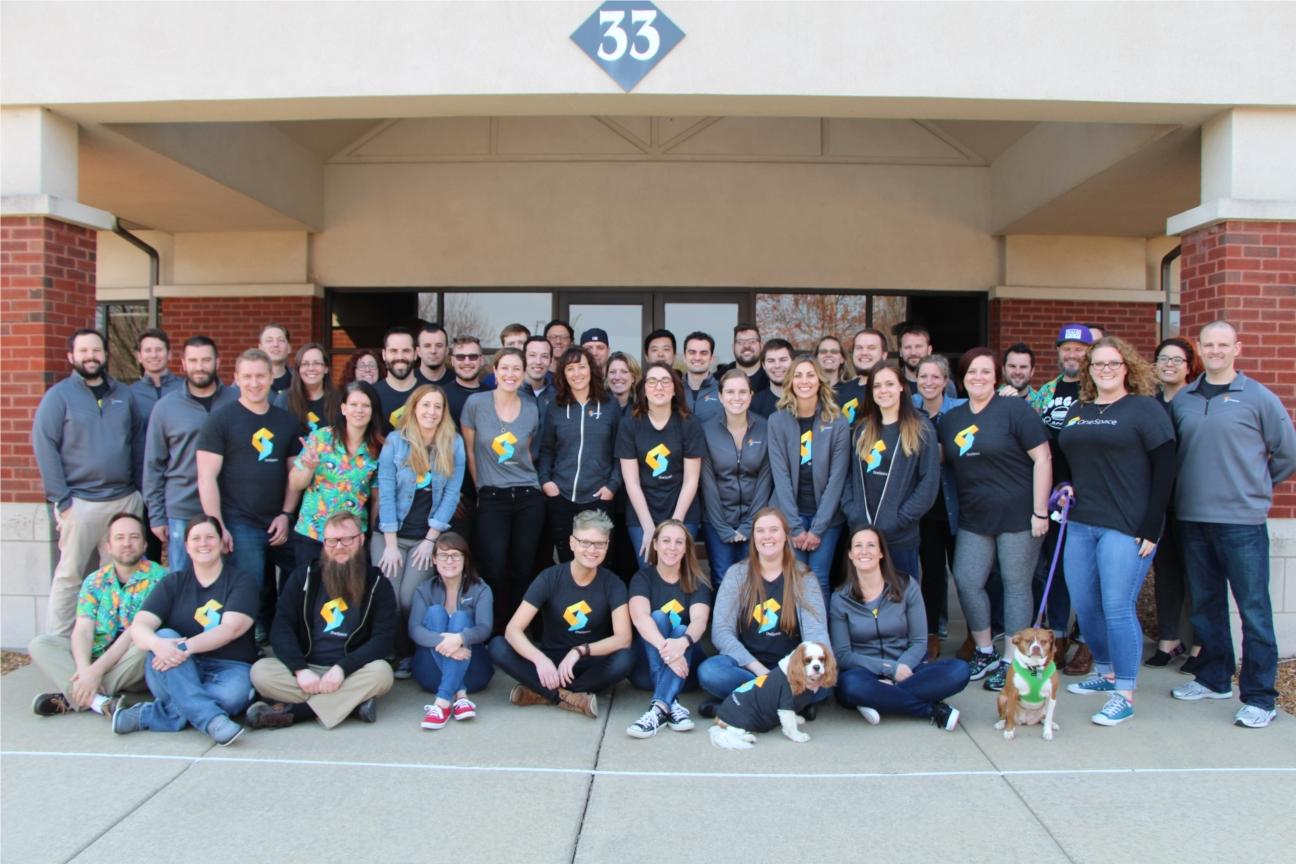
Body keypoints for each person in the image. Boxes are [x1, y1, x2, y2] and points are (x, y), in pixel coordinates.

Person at [1170, 320, 1296, 728]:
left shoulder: (1258, 397)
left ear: (1237, 348)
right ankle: (1214, 678)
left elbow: (1287, 454)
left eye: (1223, 344)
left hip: (1242, 521)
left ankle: (1260, 697)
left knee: (1254, 610)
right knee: (1206, 606)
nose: (1216, 351)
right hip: (1192, 518)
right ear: (1199, 349)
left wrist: (1254, 486)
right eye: (1209, 344)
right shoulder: (1185, 399)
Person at [1054, 337, 1175, 726]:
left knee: (1117, 606)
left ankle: (1124, 692)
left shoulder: (1145, 409)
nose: (1105, 370)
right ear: (1088, 371)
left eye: (1112, 363)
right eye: (1098, 364)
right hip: (1081, 522)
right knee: (1085, 603)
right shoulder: (1079, 409)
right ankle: (1105, 672)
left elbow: (1166, 469)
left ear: (1127, 367)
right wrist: (1064, 485)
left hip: (1126, 525)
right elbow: (1066, 458)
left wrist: (1153, 526)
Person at [939, 347, 1051, 693]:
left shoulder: (1014, 410)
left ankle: (1012, 660)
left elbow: (1043, 458)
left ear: (996, 377)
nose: (978, 377)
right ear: (962, 378)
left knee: (1016, 584)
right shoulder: (952, 419)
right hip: (975, 516)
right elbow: (936, 458)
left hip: (1019, 515)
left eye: (985, 371)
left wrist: (1040, 510)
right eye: (971, 371)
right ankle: (985, 650)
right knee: (967, 580)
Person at [33, 328, 144, 636]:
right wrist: (62, 499)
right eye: (83, 351)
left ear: (105, 354)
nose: (90, 356)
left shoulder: (124, 395)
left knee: (119, 575)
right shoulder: (59, 397)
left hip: (123, 500)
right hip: (80, 502)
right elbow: (44, 445)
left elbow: (137, 442)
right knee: (71, 575)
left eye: (96, 350)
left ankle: (110, 639)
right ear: (71, 357)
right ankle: (57, 641)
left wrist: (139, 492)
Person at [112, 515, 257, 745]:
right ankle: (212, 720)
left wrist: (184, 648)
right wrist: (157, 644)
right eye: (196, 538)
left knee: (231, 697)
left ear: (222, 543)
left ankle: (146, 715)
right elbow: (140, 626)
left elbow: (231, 629)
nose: (203, 543)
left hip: (228, 667)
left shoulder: (241, 581)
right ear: (187, 547)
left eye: (210, 537)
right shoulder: (173, 582)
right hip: (176, 668)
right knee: (164, 636)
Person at [246, 512, 397, 729]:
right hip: (307, 668)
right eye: (332, 541)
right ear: (324, 543)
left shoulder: (378, 584)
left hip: (350, 671)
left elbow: (383, 639)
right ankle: (350, 704)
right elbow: (281, 628)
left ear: (361, 539)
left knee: (382, 674)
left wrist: (342, 669)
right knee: (260, 672)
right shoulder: (304, 576)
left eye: (347, 539)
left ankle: (296, 712)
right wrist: (300, 670)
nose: (339, 546)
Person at [195, 348, 302, 639]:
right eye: (248, 376)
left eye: (260, 376)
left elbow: (294, 475)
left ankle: (284, 634)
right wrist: (217, 525)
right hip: (239, 521)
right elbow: (206, 476)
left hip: (279, 520)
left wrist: (286, 514)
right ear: (237, 379)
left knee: (300, 574)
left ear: (271, 378)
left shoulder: (286, 422)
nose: (254, 383)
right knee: (249, 586)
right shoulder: (220, 420)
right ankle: (246, 643)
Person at [489, 510, 634, 717]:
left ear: (607, 546)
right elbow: (513, 629)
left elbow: (623, 638)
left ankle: (541, 692)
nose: (592, 550)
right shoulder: (550, 578)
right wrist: (540, 660)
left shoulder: (613, 584)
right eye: (585, 542)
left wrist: (580, 651)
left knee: (626, 658)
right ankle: (570, 697)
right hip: (551, 662)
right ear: (572, 543)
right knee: (498, 646)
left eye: (599, 544)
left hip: (591, 663)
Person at [28, 512, 167, 718]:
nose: (127, 543)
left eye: (134, 537)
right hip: (97, 657)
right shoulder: (94, 581)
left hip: (130, 665)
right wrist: (85, 669)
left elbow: (133, 633)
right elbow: (83, 631)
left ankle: (74, 697)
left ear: (145, 545)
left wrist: (95, 673)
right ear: (108, 546)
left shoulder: (160, 579)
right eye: (119, 537)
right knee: (41, 644)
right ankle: (98, 701)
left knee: (147, 646)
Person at [697, 507, 831, 717]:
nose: (767, 536)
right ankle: (787, 704)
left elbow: (816, 632)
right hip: (748, 667)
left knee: (824, 680)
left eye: (774, 530)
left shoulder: (804, 577)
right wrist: (761, 672)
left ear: (785, 536)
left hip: (793, 669)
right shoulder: (737, 574)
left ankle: (737, 706)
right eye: (760, 530)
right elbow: (721, 631)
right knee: (710, 672)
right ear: (754, 537)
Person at [830, 526, 969, 730]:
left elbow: (919, 642)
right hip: (864, 672)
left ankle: (879, 698)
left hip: (907, 668)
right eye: (858, 546)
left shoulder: (906, 586)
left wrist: (900, 670)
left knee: (959, 670)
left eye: (871, 545)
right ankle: (930, 710)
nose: (864, 551)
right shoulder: (840, 598)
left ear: (881, 552)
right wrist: (889, 669)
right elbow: (843, 655)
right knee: (850, 686)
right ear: (850, 554)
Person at [374, 384, 465, 676]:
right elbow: (386, 492)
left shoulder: (454, 443)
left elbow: (451, 494)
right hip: (390, 535)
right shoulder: (395, 441)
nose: (431, 412)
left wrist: (430, 541)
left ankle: (409, 654)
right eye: (425, 405)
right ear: (414, 408)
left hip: (424, 538)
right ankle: (386, 651)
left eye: (437, 406)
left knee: (408, 598)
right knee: (387, 596)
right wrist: (390, 544)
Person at [1029, 323, 1095, 675]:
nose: (1072, 355)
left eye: (1079, 349)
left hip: (1089, 493)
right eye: (1066, 349)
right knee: (1053, 569)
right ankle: (1057, 635)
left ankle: (1086, 640)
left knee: (1086, 571)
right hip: (1054, 494)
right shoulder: (1046, 392)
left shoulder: (1096, 390)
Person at [462, 348, 544, 627]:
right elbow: (471, 452)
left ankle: (518, 630)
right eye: (504, 368)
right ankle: (495, 629)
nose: (510, 374)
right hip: (492, 495)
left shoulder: (531, 408)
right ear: (495, 371)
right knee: (494, 568)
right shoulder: (476, 403)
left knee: (523, 568)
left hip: (528, 495)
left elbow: (528, 453)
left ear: (523, 374)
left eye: (516, 369)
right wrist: (481, 489)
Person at [144, 335, 239, 572]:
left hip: (232, 508)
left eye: (206, 360)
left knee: (231, 579)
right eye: (194, 361)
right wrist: (156, 515)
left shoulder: (237, 400)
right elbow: (153, 465)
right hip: (182, 509)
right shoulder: (166, 407)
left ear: (217, 362)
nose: (200, 367)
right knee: (182, 579)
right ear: (183, 364)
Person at [842, 361, 940, 587]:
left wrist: (900, 519)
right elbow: (848, 476)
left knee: (901, 597)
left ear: (902, 387)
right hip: (863, 535)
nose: (883, 390)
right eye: (877, 386)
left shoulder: (921, 428)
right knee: (865, 597)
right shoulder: (862, 429)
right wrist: (852, 511)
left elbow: (929, 483)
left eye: (889, 384)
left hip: (900, 536)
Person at [768, 355, 849, 598]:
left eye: (810, 375)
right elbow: (780, 475)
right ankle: (797, 625)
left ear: (820, 380)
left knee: (819, 577)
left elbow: (837, 478)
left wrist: (818, 529)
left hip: (827, 517)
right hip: (790, 514)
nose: (804, 381)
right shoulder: (777, 421)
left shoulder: (837, 421)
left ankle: (820, 626)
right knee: (797, 578)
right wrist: (794, 527)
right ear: (790, 382)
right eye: (798, 375)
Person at [626, 520, 713, 738]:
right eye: (666, 541)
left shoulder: (697, 582)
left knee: (683, 629)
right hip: (646, 672)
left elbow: (699, 621)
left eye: (678, 542)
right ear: (655, 544)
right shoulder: (643, 578)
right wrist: (669, 652)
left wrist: (681, 643)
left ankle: (659, 708)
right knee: (657, 618)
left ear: (686, 548)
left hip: (686, 671)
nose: (672, 547)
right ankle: (671, 704)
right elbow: (639, 618)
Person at [1146, 336, 1203, 668]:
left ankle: (1200, 645)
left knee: (1198, 574)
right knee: (1165, 572)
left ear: (1189, 366)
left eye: (1177, 359)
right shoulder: (1150, 405)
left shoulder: (1197, 401)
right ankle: (1168, 640)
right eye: (1163, 359)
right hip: (1160, 502)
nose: (1169, 365)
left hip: (1194, 502)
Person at [616, 362, 704, 567]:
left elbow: (691, 480)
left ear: (674, 389)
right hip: (642, 511)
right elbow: (631, 482)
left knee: (678, 570)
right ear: (644, 390)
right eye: (652, 381)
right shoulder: (629, 425)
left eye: (665, 381)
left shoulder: (689, 424)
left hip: (682, 509)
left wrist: (675, 524)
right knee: (648, 568)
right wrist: (648, 527)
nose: (659, 386)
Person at [538, 347, 621, 562]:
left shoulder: (610, 406)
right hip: (562, 497)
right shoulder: (555, 407)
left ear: (591, 369)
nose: (577, 373)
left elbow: (620, 453)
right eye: (570, 368)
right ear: (563, 374)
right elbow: (546, 450)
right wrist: (546, 481)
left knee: (599, 561)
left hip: (599, 497)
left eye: (582, 367)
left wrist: (612, 486)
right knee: (568, 561)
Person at [287, 381, 383, 565]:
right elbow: (294, 484)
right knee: (310, 584)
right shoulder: (321, 438)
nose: (359, 410)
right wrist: (308, 468)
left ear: (373, 411)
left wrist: (372, 537)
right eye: (354, 404)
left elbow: (376, 499)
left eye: (365, 405)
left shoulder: (377, 450)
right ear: (343, 408)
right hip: (313, 533)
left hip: (351, 538)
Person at [409, 532, 495, 729]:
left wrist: (460, 638)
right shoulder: (425, 589)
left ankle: (442, 703)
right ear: (434, 559)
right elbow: (414, 629)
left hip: (473, 672)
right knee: (435, 613)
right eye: (443, 555)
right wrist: (447, 642)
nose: (449, 561)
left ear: (465, 559)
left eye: (455, 555)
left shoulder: (480, 589)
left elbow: (485, 628)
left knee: (460, 618)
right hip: (431, 674)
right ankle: (460, 696)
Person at [912, 355, 967, 660]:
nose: (929, 382)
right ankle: (931, 634)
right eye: (923, 377)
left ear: (946, 381)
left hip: (958, 506)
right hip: (925, 509)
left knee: (966, 577)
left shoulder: (961, 410)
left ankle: (975, 635)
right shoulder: (909, 408)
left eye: (935, 377)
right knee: (931, 575)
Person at [700, 369, 773, 586]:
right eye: (730, 392)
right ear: (720, 396)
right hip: (716, 521)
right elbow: (707, 483)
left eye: (742, 392)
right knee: (722, 578)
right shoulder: (706, 430)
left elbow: (765, 480)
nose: (737, 397)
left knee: (754, 578)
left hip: (755, 520)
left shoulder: (765, 428)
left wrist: (750, 524)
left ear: (751, 395)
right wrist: (722, 527)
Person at [128, 327, 184, 564]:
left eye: (159, 350)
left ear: (169, 354)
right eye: (148, 350)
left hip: (180, 486)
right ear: (139, 356)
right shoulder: (129, 395)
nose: (154, 355)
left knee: (183, 553)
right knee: (147, 554)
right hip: (144, 486)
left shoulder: (184, 389)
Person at [604, 351, 642, 578]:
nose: (618, 376)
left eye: (624, 371)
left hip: (635, 497)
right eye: (612, 372)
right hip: (605, 493)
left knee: (631, 560)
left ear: (633, 376)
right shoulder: (598, 407)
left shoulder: (642, 409)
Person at [274, 342, 341, 437]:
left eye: (317, 363)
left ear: (326, 368)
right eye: (305, 364)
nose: (311, 368)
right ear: (298, 369)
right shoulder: (284, 400)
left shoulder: (339, 401)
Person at [836, 327, 888, 426]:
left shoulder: (892, 393)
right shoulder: (839, 392)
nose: (864, 352)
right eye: (859, 348)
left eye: (871, 348)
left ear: (884, 355)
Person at [373, 326, 419, 433]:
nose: (400, 357)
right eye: (393, 351)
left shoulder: (430, 394)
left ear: (416, 354)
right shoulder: (371, 395)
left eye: (406, 351)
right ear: (384, 354)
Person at [896, 324, 955, 398]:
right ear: (901, 352)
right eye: (908, 347)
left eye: (918, 346)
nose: (913, 352)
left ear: (929, 350)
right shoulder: (893, 382)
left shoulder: (946, 385)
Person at [444, 335, 486, 424]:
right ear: (452, 361)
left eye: (473, 356)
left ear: (482, 360)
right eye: (460, 357)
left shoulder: (493, 395)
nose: (467, 362)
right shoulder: (442, 396)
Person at [716, 323, 769, 394]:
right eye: (740, 342)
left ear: (761, 346)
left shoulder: (773, 377)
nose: (746, 346)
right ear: (733, 348)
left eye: (752, 341)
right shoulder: (717, 379)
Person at [681, 330, 722, 423]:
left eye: (703, 353)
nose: (697, 358)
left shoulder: (723, 391)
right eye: (692, 352)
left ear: (711, 358)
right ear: (684, 357)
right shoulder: (674, 390)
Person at [750, 338, 794, 419]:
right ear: (763, 365)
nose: (777, 365)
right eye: (771, 361)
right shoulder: (755, 404)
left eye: (783, 360)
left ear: (793, 362)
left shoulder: (805, 399)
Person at [259, 323, 294, 394]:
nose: (275, 344)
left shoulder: (301, 381)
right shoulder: (246, 383)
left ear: (289, 348)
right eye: (269, 340)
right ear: (260, 348)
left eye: (281, 340)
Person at [414, 321, 451, 385]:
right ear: (418, 351)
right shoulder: (407, 382)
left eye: (439, 345)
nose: (433, 351)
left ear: (447, 350)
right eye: (427, 346)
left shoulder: (459, 381)